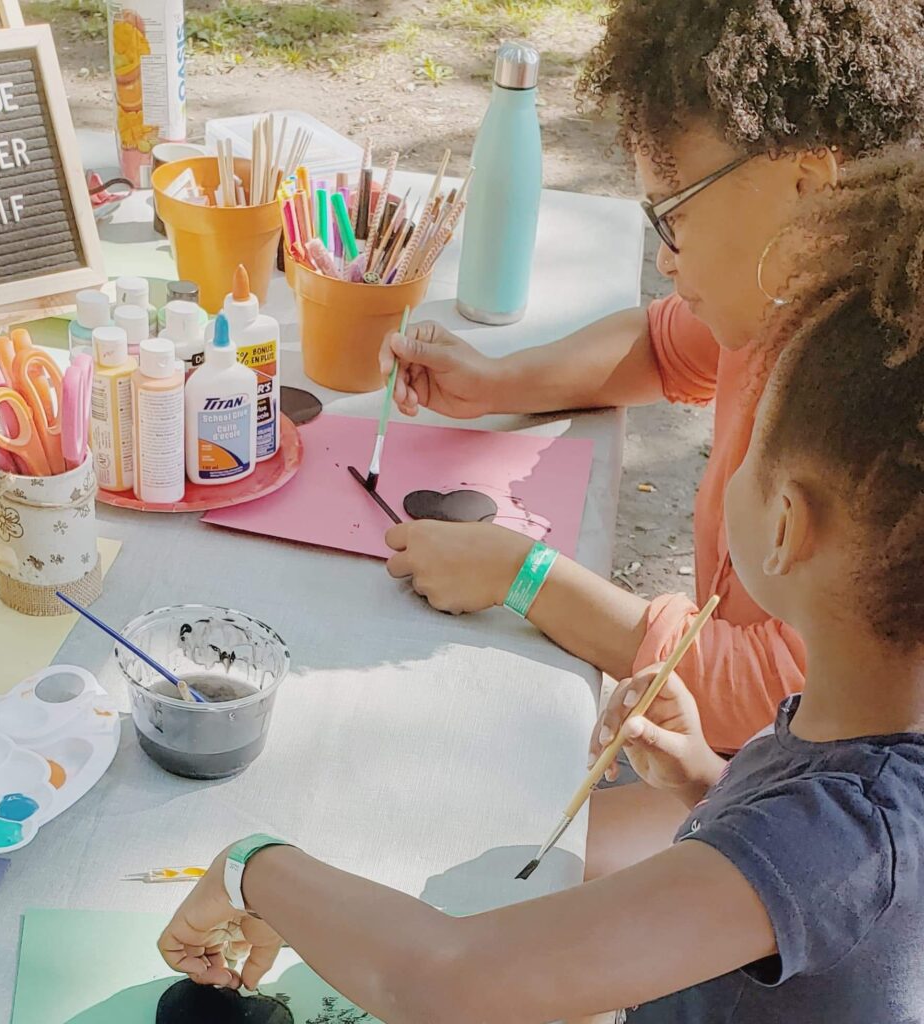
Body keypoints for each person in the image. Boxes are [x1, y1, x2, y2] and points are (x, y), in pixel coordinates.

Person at [158, 149, 924, 1023]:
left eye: (743, 448)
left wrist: (252, 866)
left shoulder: (844, 839)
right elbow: (803, 878)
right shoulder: (859, 749)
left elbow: (441, 979)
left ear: (786, 526)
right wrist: (709, 785)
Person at [379, 0, 924, 760]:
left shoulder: (884, 398)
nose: (663, 258)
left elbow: (773, 688)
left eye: (673, 217)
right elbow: (663, 347)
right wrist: (494, 383)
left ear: (806, 186)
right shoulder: (779, 295)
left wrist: (524, 575)